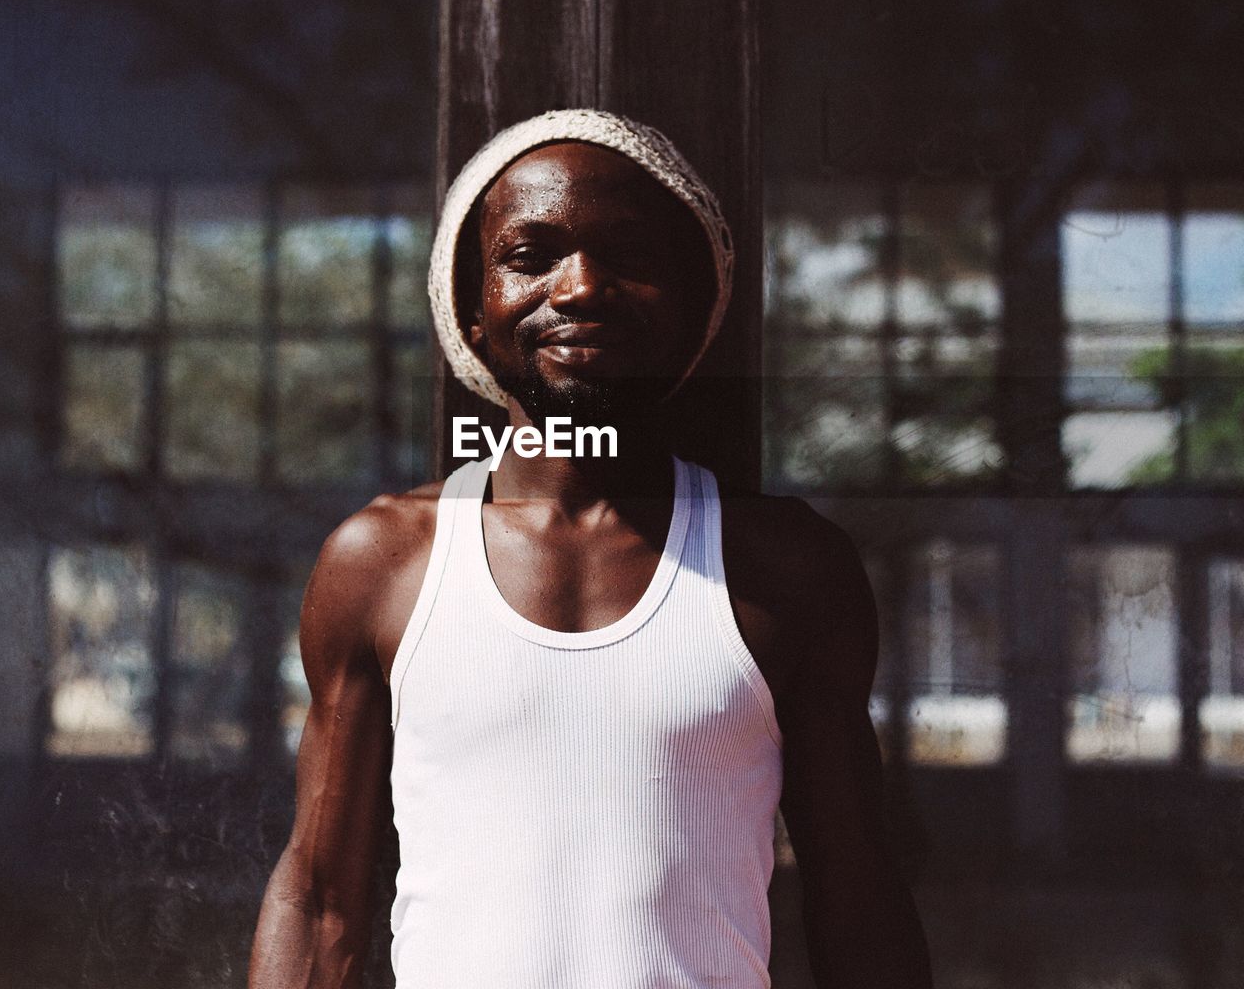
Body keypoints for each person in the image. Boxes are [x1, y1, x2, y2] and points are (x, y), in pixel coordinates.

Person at [248, 109, 933, 988]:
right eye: (531, 256)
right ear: (470, 305)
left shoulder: (788, 569)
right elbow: (319, 896)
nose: (581, 288)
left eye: (633, 258)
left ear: (696, 304)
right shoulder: (383, 563)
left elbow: (856, 895)